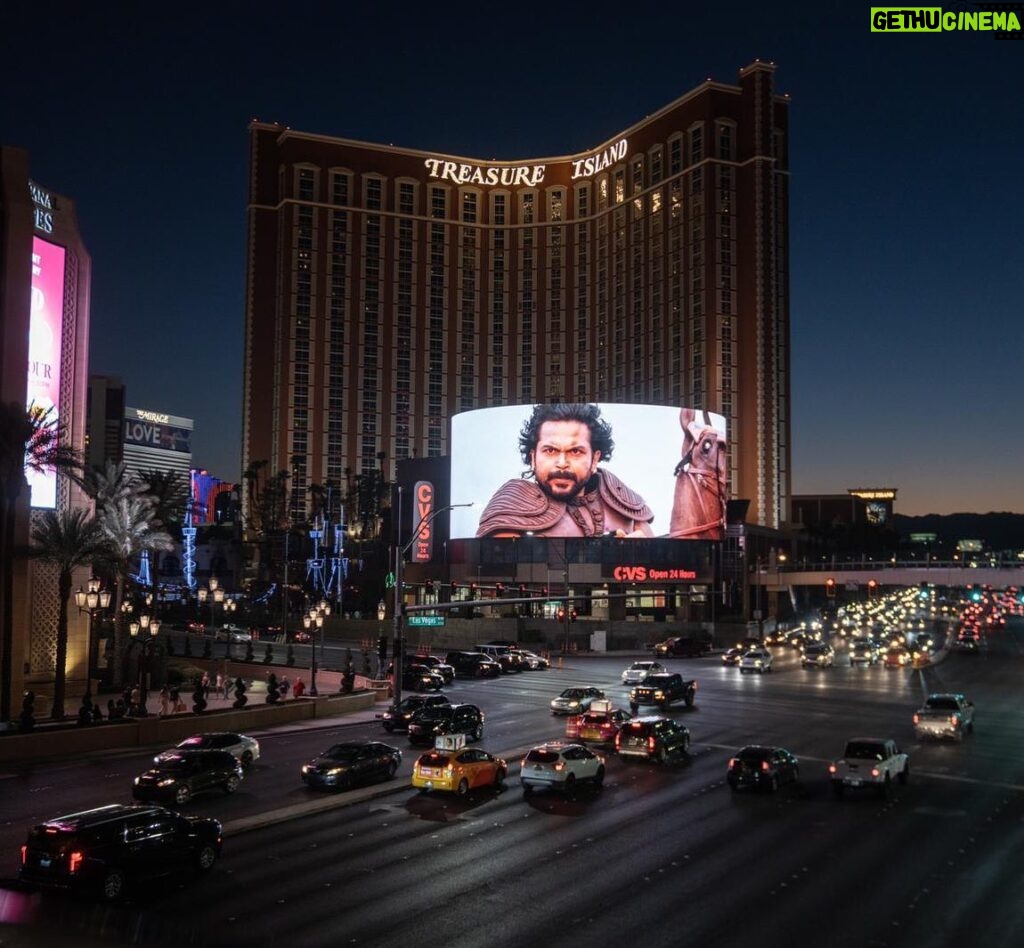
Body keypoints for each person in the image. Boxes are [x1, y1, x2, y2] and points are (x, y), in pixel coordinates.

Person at [476, 403, 655, 538]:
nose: (562, 463)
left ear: (595, 459)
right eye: (550, 450)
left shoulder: (626, 508)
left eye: (575, 451)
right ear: (533, 457)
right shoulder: (510, 511)